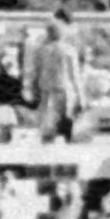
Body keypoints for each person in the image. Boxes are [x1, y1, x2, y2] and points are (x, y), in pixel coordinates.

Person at [28, 9, 87, 142]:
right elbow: (75, 76)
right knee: (66, 125)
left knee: (47, 126)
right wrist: (81, 97)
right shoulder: (68, 51)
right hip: (64, 91)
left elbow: (35, 74)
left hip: (46, 92)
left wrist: (33, 92)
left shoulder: (40, 50)